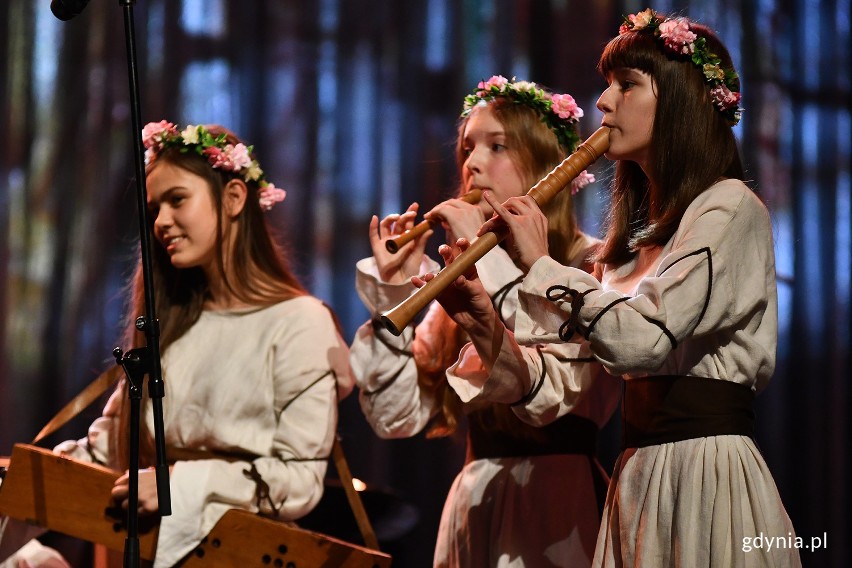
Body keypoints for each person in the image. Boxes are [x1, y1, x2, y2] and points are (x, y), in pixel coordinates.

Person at [425, 10, 801, 568]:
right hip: (640, 478)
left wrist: (534, 265)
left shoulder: (729, 208)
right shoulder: (628, 245)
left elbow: (642, 340)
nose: (603, 102)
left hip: (704, 471)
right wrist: (483, 319)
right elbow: (553, 390)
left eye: (627, 85)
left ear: (680, 100)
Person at [3, 121, 354, 568]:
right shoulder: (171, 323)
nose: (161, 222)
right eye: (154, 208)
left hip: (238, 556)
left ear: (233, 199)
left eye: (177, 200)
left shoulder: (299, 322)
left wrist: (177, 484)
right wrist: (22, 479)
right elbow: (110, 447)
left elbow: (301, 479)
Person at [350, 76, 621, 567]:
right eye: (467, 148)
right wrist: (393, 290)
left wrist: (487, 254)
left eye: (497, 146)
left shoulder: (592, 265)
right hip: (476, 497)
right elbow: (396, 418)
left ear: (548, 164)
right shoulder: (463, 275)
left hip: (558, 501)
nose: (472, 164)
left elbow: (556, 395)